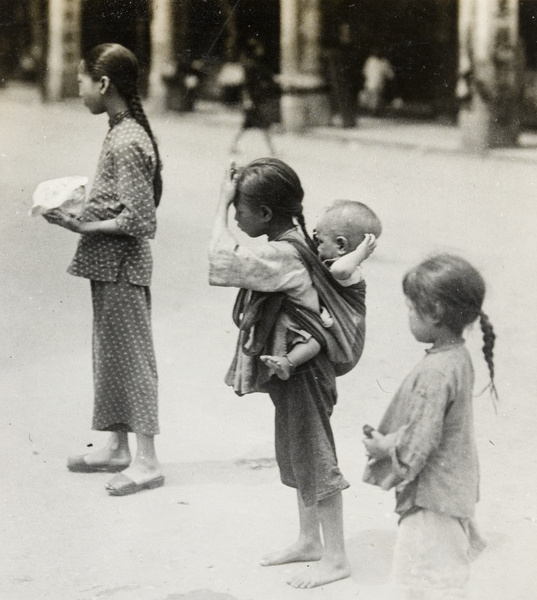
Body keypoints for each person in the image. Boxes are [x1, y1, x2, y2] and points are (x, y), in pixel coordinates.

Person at [209, 158, 351, 589]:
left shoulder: (283, 252)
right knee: (295, 450)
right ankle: (310, 540)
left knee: (315, 456)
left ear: (266, 214)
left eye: (241, 210)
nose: (236, 216)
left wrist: (219, 202)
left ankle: (338, 556)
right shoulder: (291, 242)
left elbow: (221, 257)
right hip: (292, 370)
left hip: (304, 372)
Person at [43, 43, 164, 496]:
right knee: (111, 358)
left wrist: (80, 222)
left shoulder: (129, 139)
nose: (78, 90)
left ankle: (148, 459)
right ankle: (117, 446)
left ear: (103, 83)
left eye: (80, 81)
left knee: (133, 362)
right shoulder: (120, 130)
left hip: (123, 267)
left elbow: (140, 220)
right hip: (109, 266)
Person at [362, 254, 496, 599]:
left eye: (410, 307)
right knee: (444, 583)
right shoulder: (457, 357)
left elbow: (419, 443)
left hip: (431, 500)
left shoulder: (435, 371)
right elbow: (431, 427)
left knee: (424, 585)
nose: (407, 314)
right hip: (453, 490)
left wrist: (383, 447)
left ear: (434, 311)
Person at [261, 199, 381, 380]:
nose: (315, 245)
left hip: (348, 342)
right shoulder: (331, 262)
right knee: (314, 334)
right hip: (335, 327)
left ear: (341, 246)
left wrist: (361, 253)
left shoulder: (349, 271)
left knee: (316, 338)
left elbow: (339, 270)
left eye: (319, 240)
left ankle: (288, 362)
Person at [230, 38, 278, 157]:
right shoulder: (250, 65)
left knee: (248, 126)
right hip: (253, 100)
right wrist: (247, 100)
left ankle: (234, 146)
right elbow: (246, 85)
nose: (261, 50)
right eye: (258, 48)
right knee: (261, 125)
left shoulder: (255, 64)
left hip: (255, 99)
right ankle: (272, 150)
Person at [360, 48, 395, 116]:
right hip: (370, 83)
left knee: (376, 99)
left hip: (378, 84)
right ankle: (373, 112)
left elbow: (390, 74)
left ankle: (374, 112)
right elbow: (365, 71)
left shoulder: (384, 62)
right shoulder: (370, 60)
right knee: (372, 99)